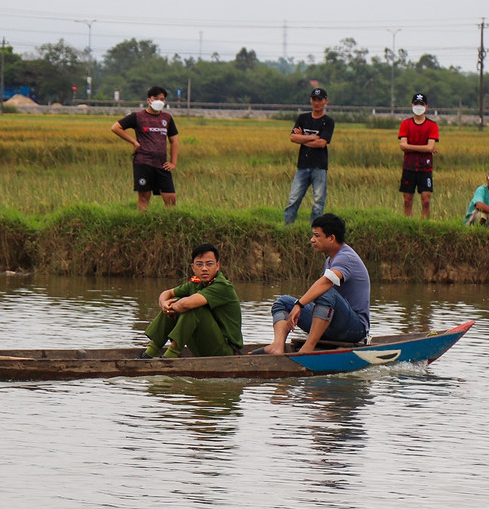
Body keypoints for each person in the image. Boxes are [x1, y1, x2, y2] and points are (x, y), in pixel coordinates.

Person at [262, 213, 370, 354]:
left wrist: (300, 304)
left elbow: (325, 283)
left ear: (331, 238)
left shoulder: (346, 258)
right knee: (283, 302)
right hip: (332, 325)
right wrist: (296, 305)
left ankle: (308, 347)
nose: (312, 240)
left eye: (317, 236)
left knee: (325, 291)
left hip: (354, 329)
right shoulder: (330, 260)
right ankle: (277, 345)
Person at [140, 243, 243, 359]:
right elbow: (167, 293)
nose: (204, 268)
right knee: (176, 301)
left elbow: (186, 304)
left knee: (193, 307)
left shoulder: (222, 286)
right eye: (199, 264)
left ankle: (169, 357)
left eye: (209, 264)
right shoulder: (195, 284)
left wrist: (172, 307)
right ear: (193, 268)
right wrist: (164, 304)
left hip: (225, 352)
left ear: (217, 266)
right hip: (202, 346)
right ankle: (148, 354)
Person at [110, 86, 179, 211]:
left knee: (171, 198)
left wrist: (173, 162)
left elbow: (174, 140)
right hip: (143, 162)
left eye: (162, 99)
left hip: (162, 164)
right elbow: (115, 127)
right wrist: (134, 142)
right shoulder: (138, 116)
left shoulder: (167, 118)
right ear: (149, 100)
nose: (159, 101)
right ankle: (143, 223)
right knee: (144, 197)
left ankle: (170, 225)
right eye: (156, 98)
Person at [284, 87, 335, 225]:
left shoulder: (328, 122)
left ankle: (315, 232)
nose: (316, 102)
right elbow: (293, 138)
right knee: (293, 199)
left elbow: (322, 143)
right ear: (310, 100)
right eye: (314, 99)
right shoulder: (303, 118)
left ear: (326, 101)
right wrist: (312, 137)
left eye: (320, 100)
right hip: (302, 166)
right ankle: (288, 227)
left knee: (318, 202)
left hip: (319, 167)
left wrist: (303, 138)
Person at [398, 92, 439, 218]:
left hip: (425, 168)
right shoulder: (405, 124)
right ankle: (408, 224)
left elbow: (429, 146)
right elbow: (402, 145)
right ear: (412, 105)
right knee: (407, 200)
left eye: (421, 104)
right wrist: (425, 148)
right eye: (416, 104)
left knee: (426, 200)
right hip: (409, 167)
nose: (419, 107)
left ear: (426, 107)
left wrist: (410, 147)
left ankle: (424, 225)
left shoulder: (432, 125)